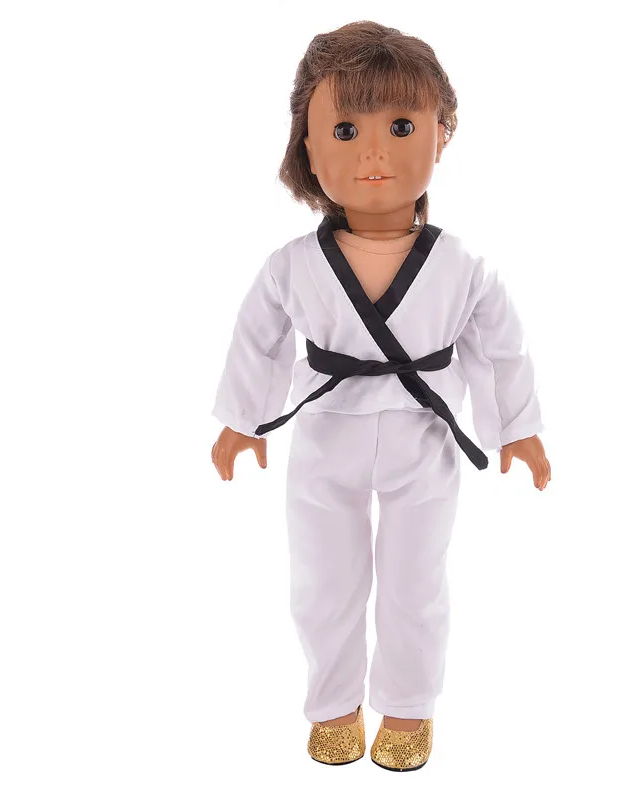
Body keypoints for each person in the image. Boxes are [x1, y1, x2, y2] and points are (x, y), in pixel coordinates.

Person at [211, 20, 551, 771]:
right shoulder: (291, 266)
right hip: (326, 434)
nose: (374, 152)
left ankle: (407, 709)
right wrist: (243, 420)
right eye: (345, 129)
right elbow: (258, 340)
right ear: (308, 146)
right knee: (323, 579)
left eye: (401, 126)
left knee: (414, 582)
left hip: (421, 436)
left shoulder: (463, 266)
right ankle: (333, 706)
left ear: (442, 134)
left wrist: (516, 427)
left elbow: (501, 346)